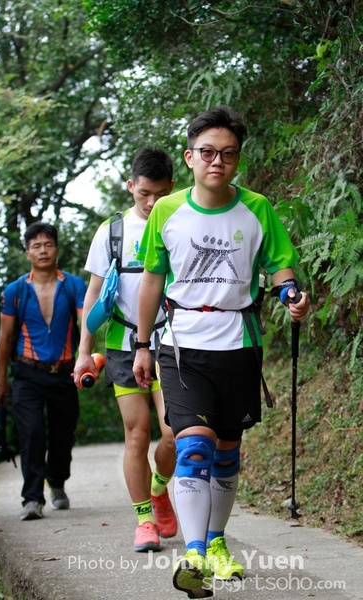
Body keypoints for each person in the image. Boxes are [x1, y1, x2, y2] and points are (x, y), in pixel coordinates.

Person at [133, 106, 310, 598]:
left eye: (228, 154)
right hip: (182, 345)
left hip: (239, 343)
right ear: (190, 157)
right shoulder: (167, 210)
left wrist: (291, 293)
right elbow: (151, 280)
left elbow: (280, 265)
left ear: (237, 159)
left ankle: (215, 542)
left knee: (227, 453)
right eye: (208, 152)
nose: (218, 162)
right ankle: (193, 555)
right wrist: (142, 345)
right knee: (194, 446)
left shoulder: (258, 208)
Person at [73, 147, 178, 552]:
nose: (151, 203)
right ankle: (144, 520)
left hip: (171, 341)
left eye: (160, 194)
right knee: (137, 435)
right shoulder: (112, 231)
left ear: (172, 188)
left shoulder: (180, 222)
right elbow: (94, 294)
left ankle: (159, 487)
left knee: (174, 433)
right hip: (121, 345)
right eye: (144, 193)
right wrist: (85, 351)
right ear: (131, 186)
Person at [0, 222, 86, 521]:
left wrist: (88, 359)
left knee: (63, 436)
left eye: (48, 244)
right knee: (31, 433)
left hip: (64, 372)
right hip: (27, 373)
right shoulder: (15, 291)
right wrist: (0, 378)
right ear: (27, 253)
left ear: (57, 249)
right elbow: (6, 337)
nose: (43, 250)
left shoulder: (74, 285)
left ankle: (56, 483)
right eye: (36, 246)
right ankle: (32, 498)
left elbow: (85, 323)